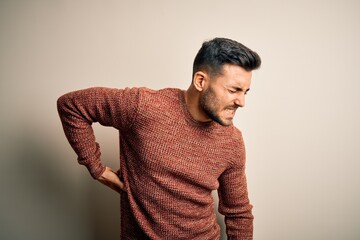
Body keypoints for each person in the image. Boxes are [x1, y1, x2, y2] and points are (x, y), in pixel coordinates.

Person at [57, 37, 261, 239]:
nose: (241, 102)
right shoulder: (143, 107)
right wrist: (97, 169)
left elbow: (238, 213)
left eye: (245, 92)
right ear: (201, 81)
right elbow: (72, 106)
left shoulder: (232, 141)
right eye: (234, 90)